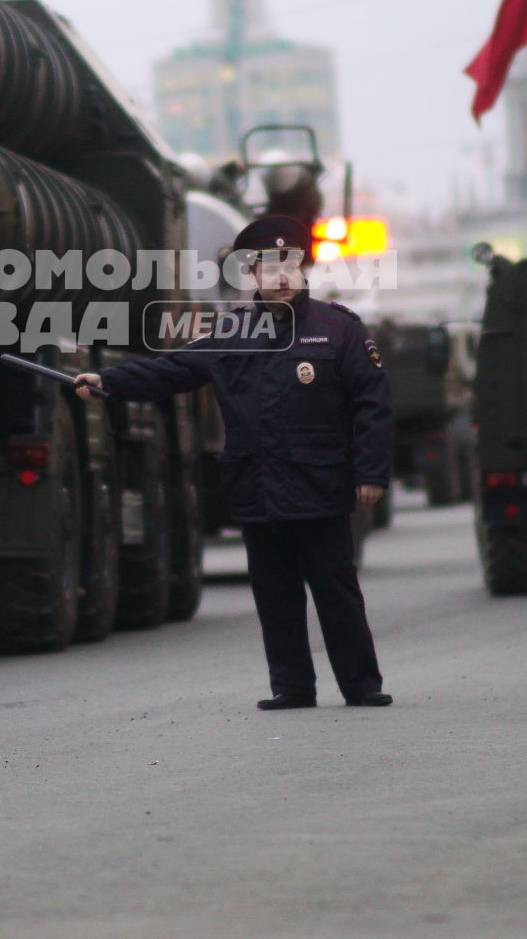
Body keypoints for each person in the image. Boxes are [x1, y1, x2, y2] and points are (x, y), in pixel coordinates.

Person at [72, 215, 394, 710]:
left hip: (320, 486)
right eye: (268, 268)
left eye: (289, 264)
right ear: (252, 276)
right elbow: (172, 370)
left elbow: (372, 405)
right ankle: (292, 688)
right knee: (275, 595)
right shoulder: (231, 333)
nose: (281, 276)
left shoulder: (338, 328)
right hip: (258, 488)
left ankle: (361, 685)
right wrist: (108, 382)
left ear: (303, 266)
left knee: (336, 590)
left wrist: (371, 472)